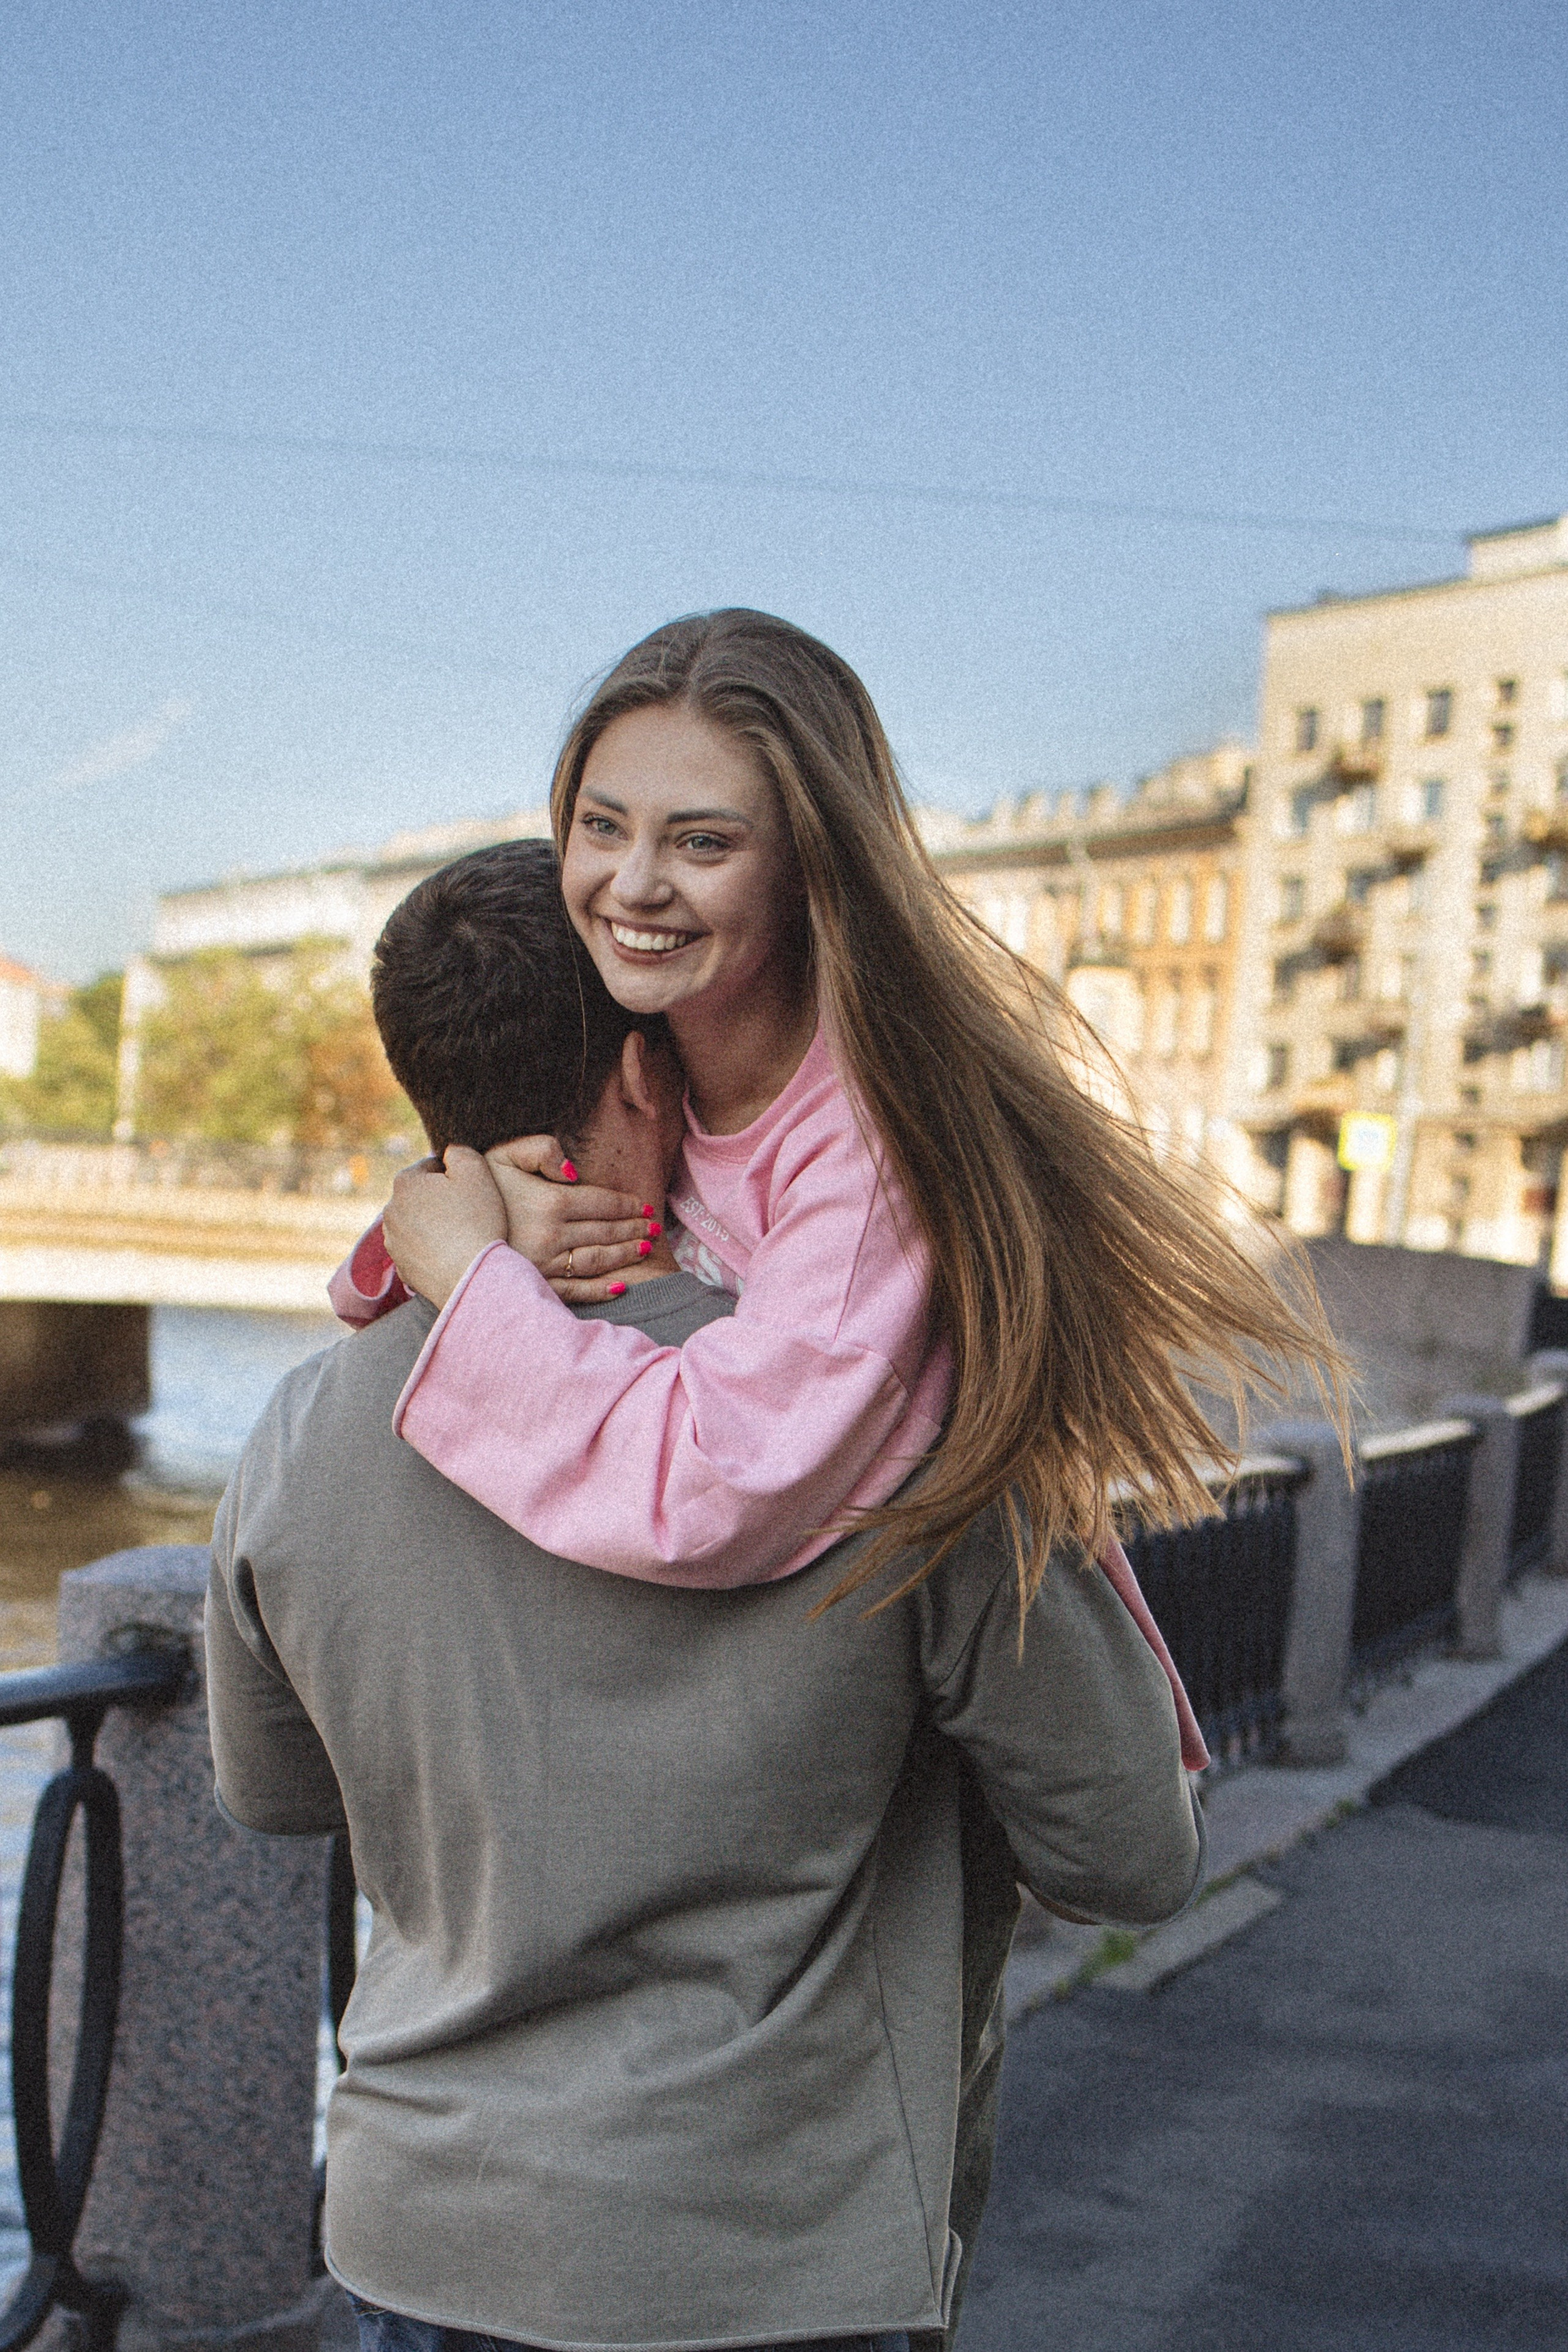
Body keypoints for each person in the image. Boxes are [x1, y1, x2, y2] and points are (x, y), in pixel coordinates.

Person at [207, 839, 1205, 2352]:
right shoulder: (887, 1417)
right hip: (763, 2261)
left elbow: (272, 1790)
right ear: (640, 1068)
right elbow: (1128, 1849)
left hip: (417, 2235)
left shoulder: (298, 1431)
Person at [336, 609, 1338, 1757]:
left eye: (703, 843)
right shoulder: (654, 1041)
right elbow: (381, 1284)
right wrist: (439, 1219)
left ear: (814, 864)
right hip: (736, 1752)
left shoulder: (868, 1154)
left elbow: (713, 1485)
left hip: (929, 1741)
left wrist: (472, 1276)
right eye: (601, 826)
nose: (633, 883)